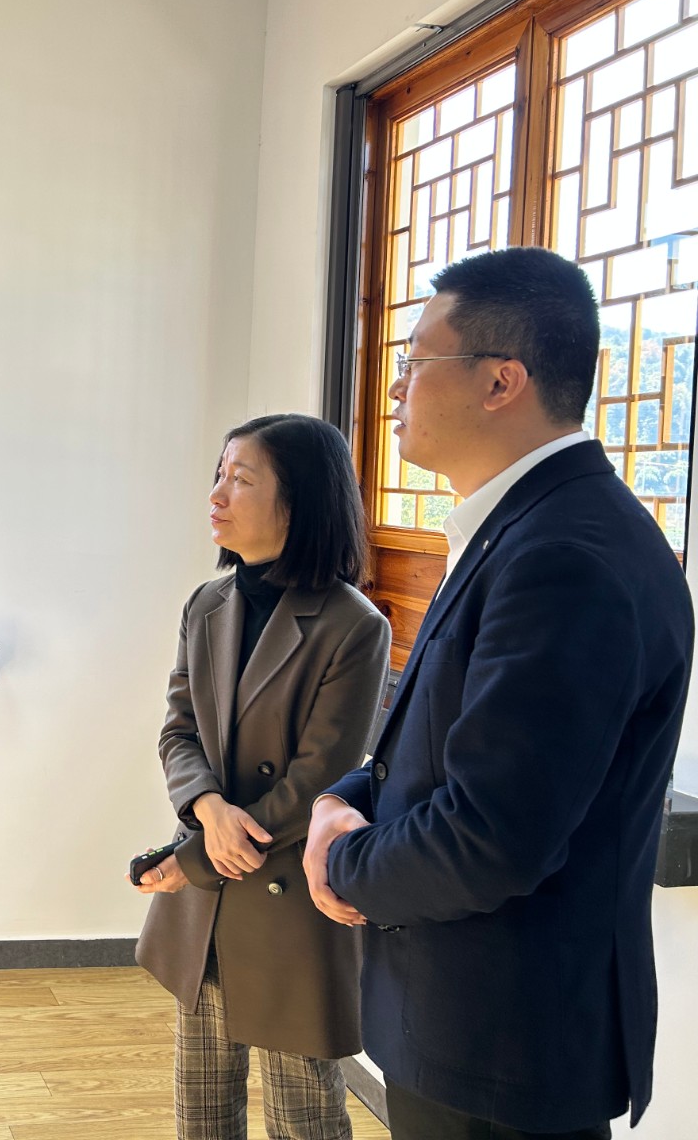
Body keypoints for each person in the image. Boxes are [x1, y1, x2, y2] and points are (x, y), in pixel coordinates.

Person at [304, 247, 694, 1140]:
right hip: (470, 1028)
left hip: (504, 1047)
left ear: (500, 381)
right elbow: (438, 744)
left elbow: (491, 836)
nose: (395, 387)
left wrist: (342, 862)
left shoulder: (565, 556)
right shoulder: (518, 528)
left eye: (414, 362)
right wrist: (340, 798)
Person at [135, 413, 391, 1140]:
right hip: (208, 896)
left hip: (288, 900)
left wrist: (197, 856)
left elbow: (319, 781)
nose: (217, 494)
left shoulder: (354, 625)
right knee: (202, 1112)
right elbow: (178, 730)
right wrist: (207, 807)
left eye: (241, 479)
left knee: (304, 1117)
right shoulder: (207, 604)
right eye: (219, 474)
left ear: (298, 501)